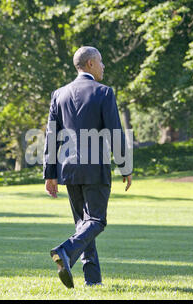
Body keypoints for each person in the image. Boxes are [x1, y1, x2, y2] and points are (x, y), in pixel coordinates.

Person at [43, 46, 132, 288]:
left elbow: (51, 136)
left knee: (84, 224)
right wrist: (125, 165)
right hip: (95, 168)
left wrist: (49, 174)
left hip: (69, 169)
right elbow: (115, 131)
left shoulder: (58, 94)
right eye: (101, 61)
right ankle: (65, 250)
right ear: (90, 64)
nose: (104, 66)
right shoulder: (104, 92)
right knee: (97, 221)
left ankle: (92, 280)